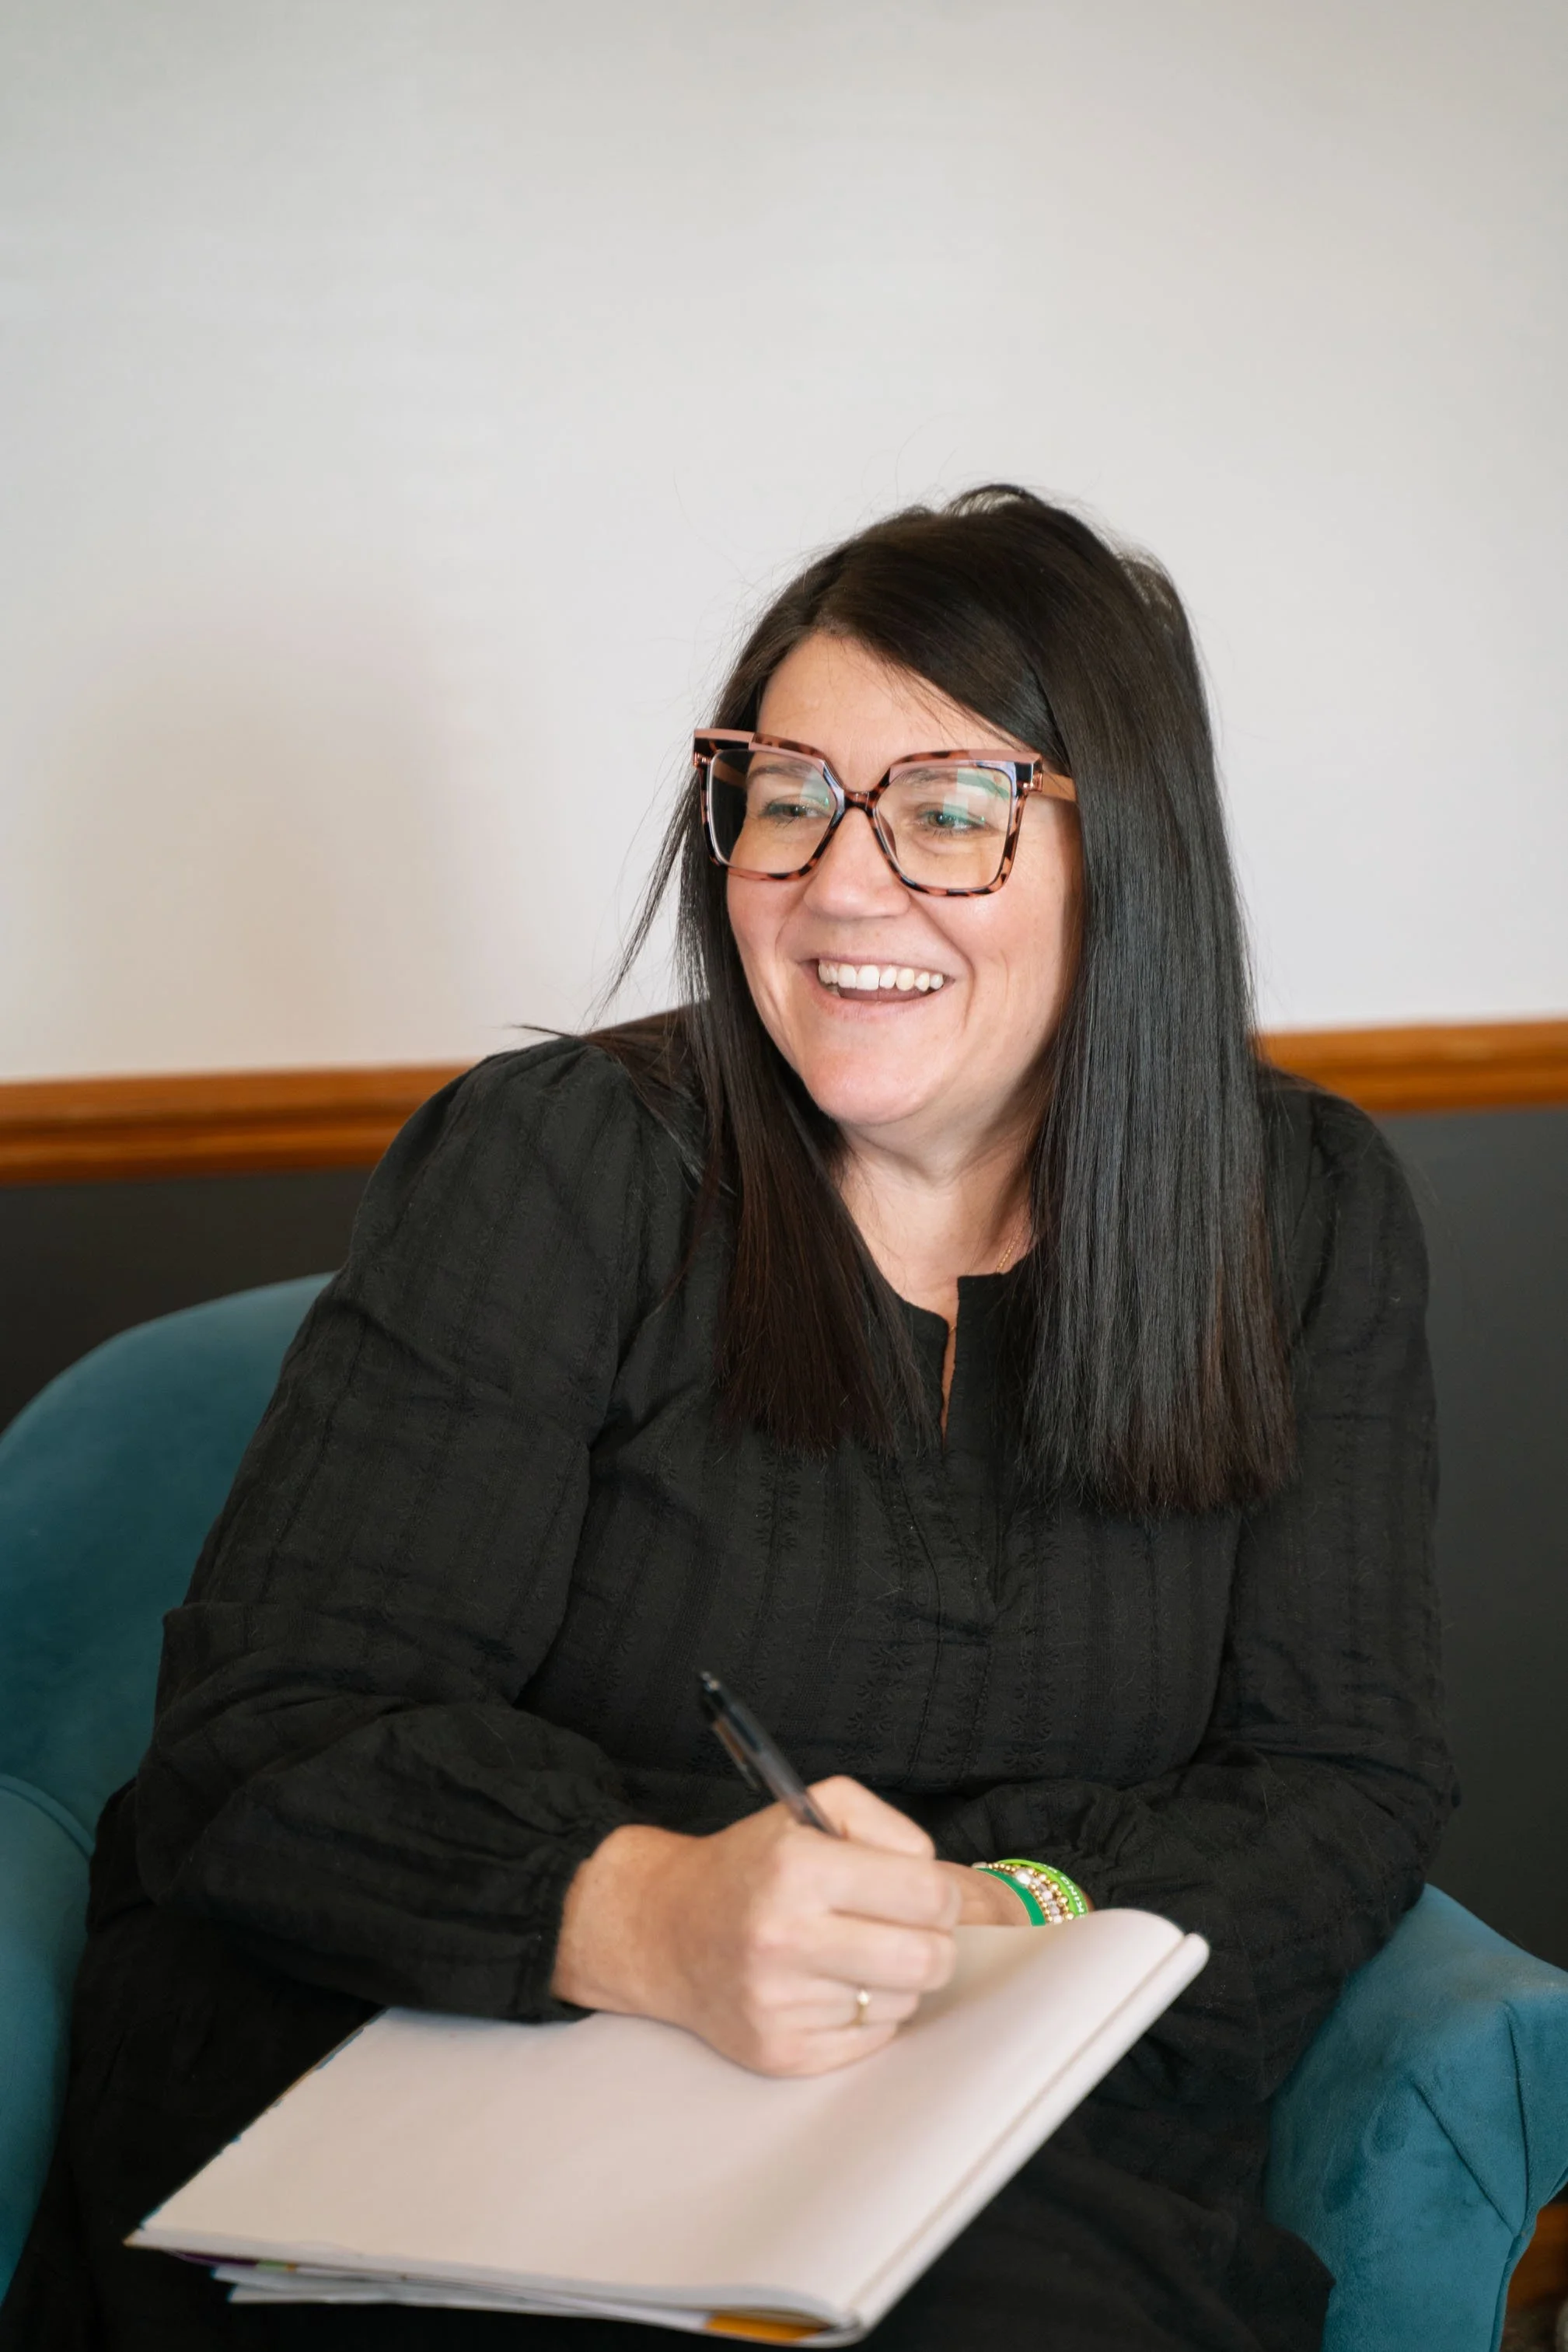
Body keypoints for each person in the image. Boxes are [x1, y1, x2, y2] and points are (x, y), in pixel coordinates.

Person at [1, 486, 1454, 2351]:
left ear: (1132, 860)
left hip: (965, 2112)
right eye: (787, 795)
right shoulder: (550, 1167)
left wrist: (991, 1914)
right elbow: (263, 1737)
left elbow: (1342, 1778)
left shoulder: (1303, 1213)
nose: (843, 883)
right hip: (433, 2063)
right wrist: (656, 1916)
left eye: (950, 808)